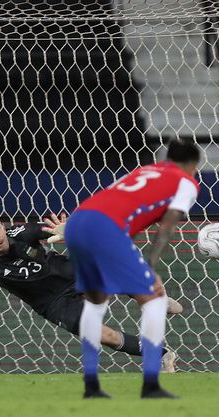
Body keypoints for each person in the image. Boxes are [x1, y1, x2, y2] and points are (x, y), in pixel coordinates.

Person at [0, 213, 182, 371]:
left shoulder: (22, 233)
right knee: (103, 336)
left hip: (67, 272)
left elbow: (56, 230)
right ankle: (162, 355)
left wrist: (69, 229)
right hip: (53, 303)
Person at [64, 138, 200, 399]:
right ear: (193, 166)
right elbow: (168, 224)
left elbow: (114, 201)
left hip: (77, 221)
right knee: (156, 300)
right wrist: (152, 264)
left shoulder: (143, 171)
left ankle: (91, 386)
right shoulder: (187, 182)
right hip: (106, 228)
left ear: (168, 159)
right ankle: (151, 384)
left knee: (95, 304)